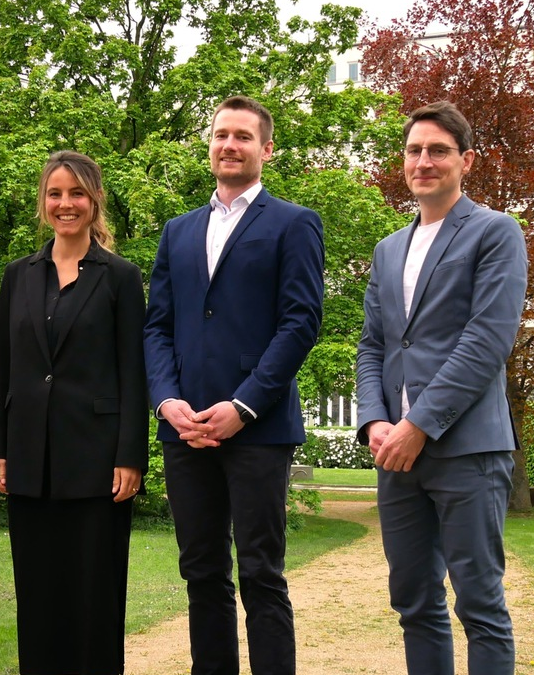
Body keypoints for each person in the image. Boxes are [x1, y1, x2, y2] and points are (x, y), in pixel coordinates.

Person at [143, 95, 324, 675]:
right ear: (210, 145)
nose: (230, 145)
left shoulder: (294, 223)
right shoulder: (178, 231)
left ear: (265, 149)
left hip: (259, 430)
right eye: (221, 134)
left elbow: (300, 324)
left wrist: (243, 405)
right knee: (201, 573)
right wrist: (166, 401)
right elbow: (157, 327)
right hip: (185, 430)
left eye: (243, 136)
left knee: (261, 574)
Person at [355, 101, 527, 675]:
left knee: (480, 605)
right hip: (396, 456)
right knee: (414, 602)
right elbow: (374, 345)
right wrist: (375, 420)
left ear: (466, 161)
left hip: (467, 450)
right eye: (414, 150)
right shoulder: (388, 249)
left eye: (438, 150)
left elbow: (486, 340)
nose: (423, 161)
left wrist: (418, 425)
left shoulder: (495, 232)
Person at [0, 150, 148, 675]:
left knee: (95, 596)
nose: (65, 203)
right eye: (55, 193)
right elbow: (3, 366)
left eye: (76, 193)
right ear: (43, 201)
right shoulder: (18, 275)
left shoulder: (120, 277)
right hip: (29, 457)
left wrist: (130, 455)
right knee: (37, 595)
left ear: (94, 199)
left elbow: (133, 372)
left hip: (98, 460)